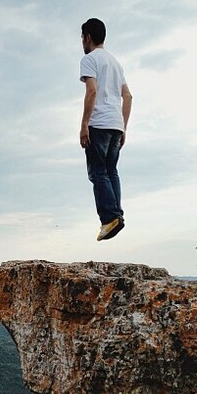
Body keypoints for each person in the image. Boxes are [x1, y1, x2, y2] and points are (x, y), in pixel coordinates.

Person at [79, 18, 132, 241]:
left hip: (99, 124)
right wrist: (123, 127)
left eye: (82, 37)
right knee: (111, 171)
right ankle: (116, 216)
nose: (82, 41)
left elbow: (92, 91)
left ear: (88, 37)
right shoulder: (116, 63)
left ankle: (109, 217)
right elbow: (127, 96)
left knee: (98, 172)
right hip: (115, 126)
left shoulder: (90, 59)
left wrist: (84, 124)